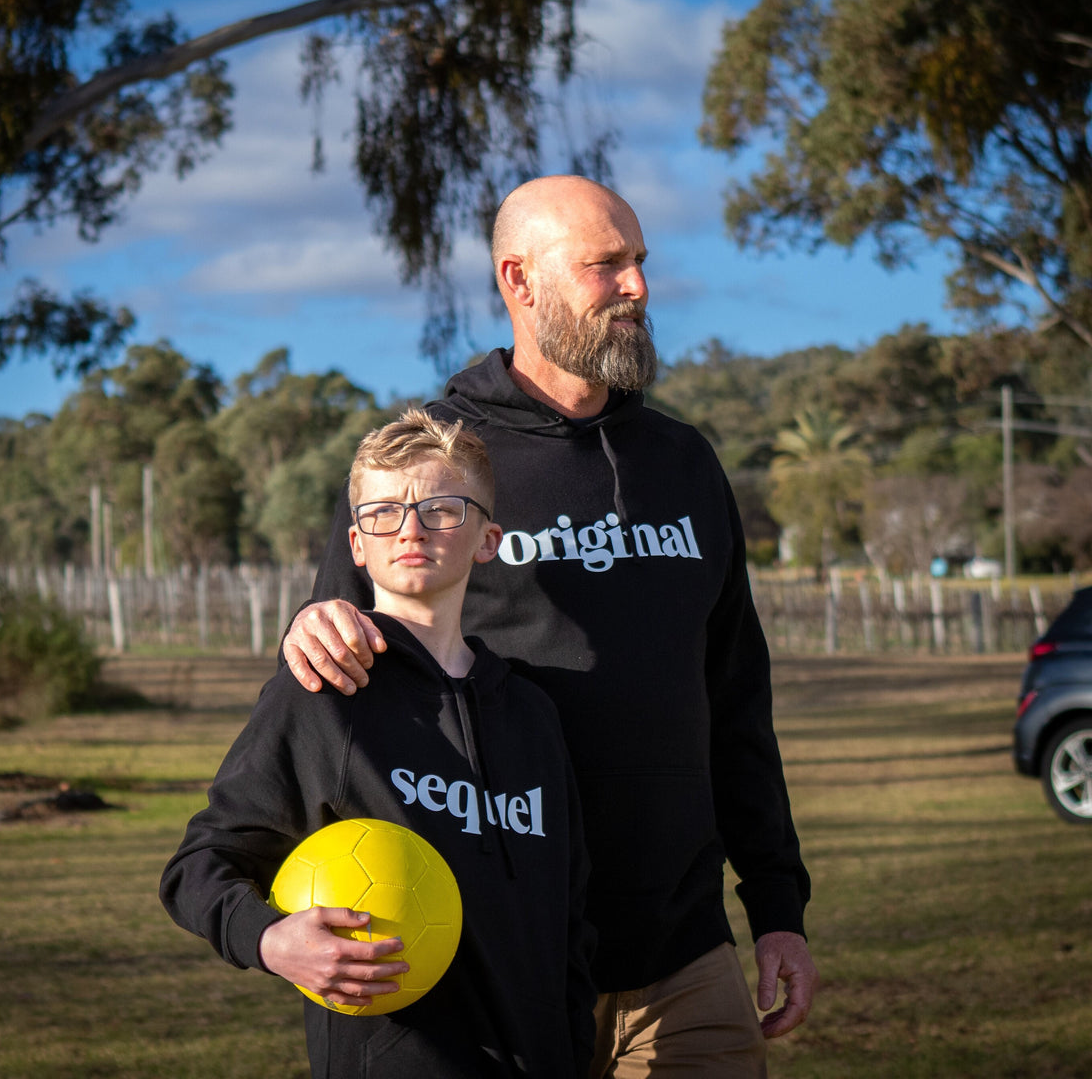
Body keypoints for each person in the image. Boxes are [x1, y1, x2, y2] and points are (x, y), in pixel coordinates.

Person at [281, 175, 820, 1077]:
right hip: (497, 966)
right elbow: (337, 659)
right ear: (519, 281)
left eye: (640, 262)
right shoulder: (439, 459)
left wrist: (776, 907)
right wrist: (313, 627)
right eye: (605, 266)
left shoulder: (683, 464)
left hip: (681, 958)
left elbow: (735, 701)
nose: (638, 287)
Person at [161, 409, 597, 1077]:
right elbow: (198, 865)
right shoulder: (325, 694)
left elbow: (569, 926)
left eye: (443, 509)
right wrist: (272, 938)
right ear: (357, 545)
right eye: (384, 513)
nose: (411, 529)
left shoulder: (533, 716)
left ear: (488, 539)